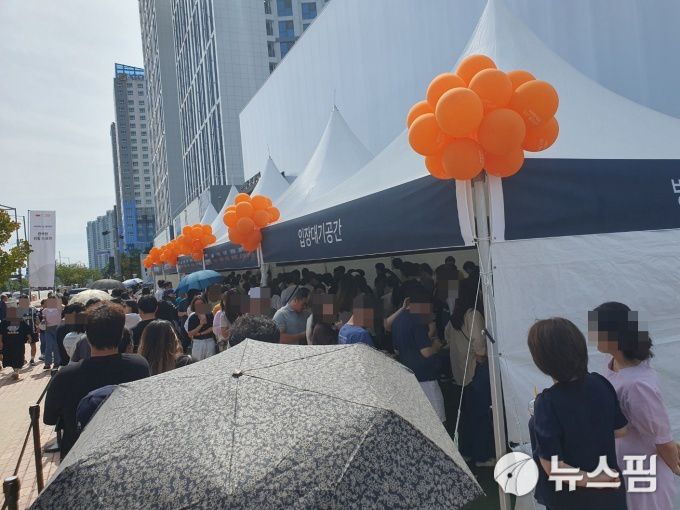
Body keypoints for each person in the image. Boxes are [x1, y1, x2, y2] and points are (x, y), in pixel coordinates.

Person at [528, 317, 628, 510]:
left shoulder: (547, 403)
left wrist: (595, 479)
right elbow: (621, 430)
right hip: (611, 494)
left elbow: (553, 468)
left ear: (542, 361)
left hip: (573, 499)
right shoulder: (600, 383)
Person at [593, 302, 679, 510]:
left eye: (597, 330)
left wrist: (676, 468)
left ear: (614, 336)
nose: (593, 336)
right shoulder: (613, 364)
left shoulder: (638, 386)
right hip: (622, 466)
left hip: (644, 475)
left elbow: (661, 439)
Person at [43, 301, 150, 459]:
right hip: (127, 451)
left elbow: (50, 418)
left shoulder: (66, 375)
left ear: (87, 336)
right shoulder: (139, 365)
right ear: (121, 334)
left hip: (78, 455)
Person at [445, 276, 493, 465]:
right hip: (475, 370)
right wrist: (481, 358)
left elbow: (447, 338)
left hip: (460, 371)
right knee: (480, 415)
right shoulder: (473, 314)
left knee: (466, 414)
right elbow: (479, 343)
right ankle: (481, 456)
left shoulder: (455, 315)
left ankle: (465, 451)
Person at [386, 285, 445, 422]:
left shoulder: (398, 320)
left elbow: (399, 345)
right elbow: (426, 352)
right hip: (425, 377)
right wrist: (436, 346)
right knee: (436, 420)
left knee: (419, 419)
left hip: (408, 374)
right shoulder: (417, 321)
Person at [0, 307, 31, 380]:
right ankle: (15, 371)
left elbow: (27, 330)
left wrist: (29, 338)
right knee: (11, 357)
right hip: (8, 344)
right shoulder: (4, 322)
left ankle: (16, 371)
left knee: (18, 356)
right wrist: (0, 342)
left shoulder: (21, 321)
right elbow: (0, 333)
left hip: (18, 343)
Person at [186, 296, 216, 361]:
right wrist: (201, 325)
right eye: (197, 304)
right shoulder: (192, 317)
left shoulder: (209, 314)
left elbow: (213, 328)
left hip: (210, 341)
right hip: (198, 343)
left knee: (211, 362)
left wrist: (200, 333)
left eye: (201, 303)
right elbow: (190, 334)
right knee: (197, 363)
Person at [42, 299, 62, 369]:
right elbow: (43, 319)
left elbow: (62, 305)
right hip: (48, 329)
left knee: (56, 346)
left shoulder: (58, 309)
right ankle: (47, 364)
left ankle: (57, 363)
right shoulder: (44, 310)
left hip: (57, 328)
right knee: (48, 346)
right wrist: (43, 322)